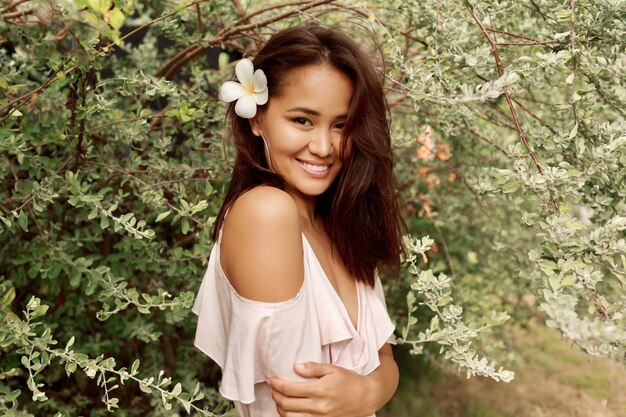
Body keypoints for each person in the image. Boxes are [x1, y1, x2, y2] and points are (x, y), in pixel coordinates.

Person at [192, 24, 405, 417]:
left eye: (342, 125)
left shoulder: (338, 223)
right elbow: (298, 404)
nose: (324, 147)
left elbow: (384, 359)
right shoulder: (267, 214)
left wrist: (367, 393)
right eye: (303, 121)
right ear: (256, 120)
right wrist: (367, 392)